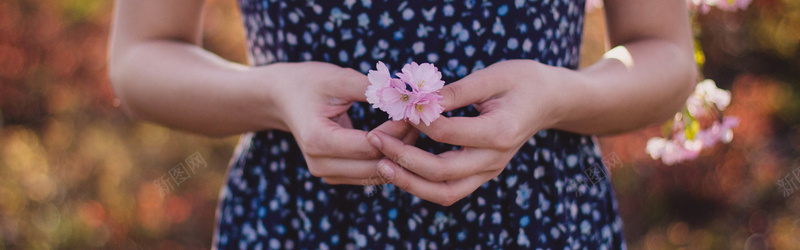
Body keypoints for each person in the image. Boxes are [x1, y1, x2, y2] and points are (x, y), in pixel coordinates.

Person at [109, 0, 696, 248]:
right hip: (301, 223)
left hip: (538, 223)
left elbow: (664, 57)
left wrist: (560, 94)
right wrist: (270, 93)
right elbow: (140, 59)